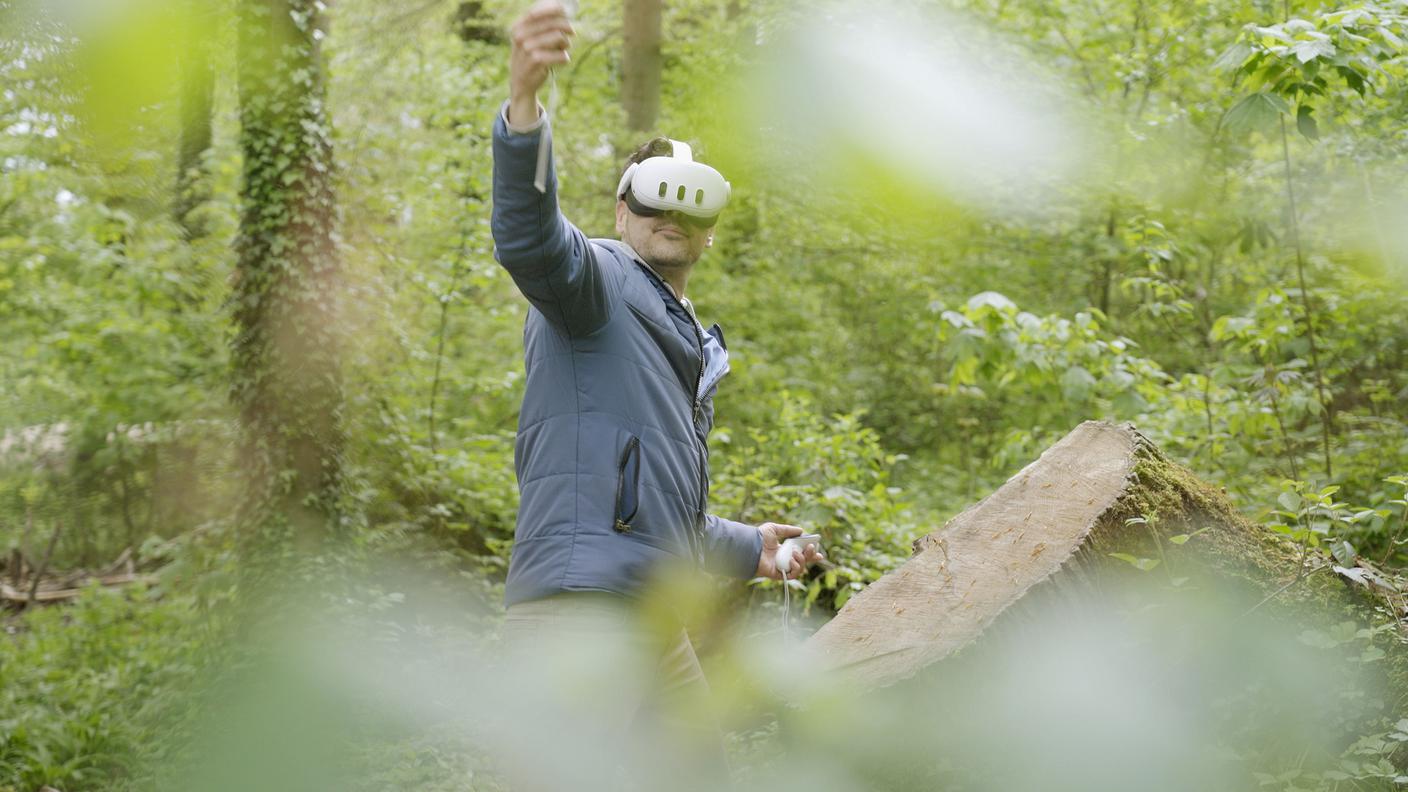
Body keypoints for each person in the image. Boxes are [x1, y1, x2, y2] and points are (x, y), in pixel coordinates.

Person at [490, 0, 821, 785]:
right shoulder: (594, 282)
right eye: (653, 195)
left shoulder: (676, 336)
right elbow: (529, 237)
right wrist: (524, 102)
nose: (670, 213)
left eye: (690, 201)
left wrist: (751, 547)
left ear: (708, 230)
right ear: (620, 208)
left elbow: (645, 504)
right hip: (583, 610)